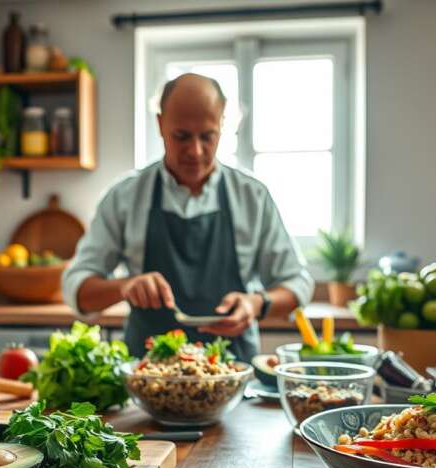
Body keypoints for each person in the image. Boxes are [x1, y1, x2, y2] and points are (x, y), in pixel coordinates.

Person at [61, 73, 314, 362]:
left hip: (234, 372)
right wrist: (124, 286)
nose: (195, 151)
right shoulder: (125, 196)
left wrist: (256, 303)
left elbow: (297, 282)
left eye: (207, 136)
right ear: (160, 124)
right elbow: (75, 287)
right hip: (148, 375)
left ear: (222, 125)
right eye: (181, 136)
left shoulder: (252, 196)